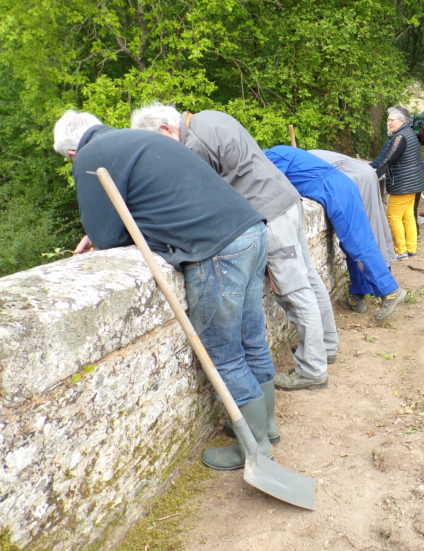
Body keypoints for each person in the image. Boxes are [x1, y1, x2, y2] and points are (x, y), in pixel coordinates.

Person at [53, 110, 277, 470]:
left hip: (215, 248)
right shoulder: (138, 138)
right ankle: (266, 425)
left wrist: (97, 234)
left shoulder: (90, 156)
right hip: (250, 230)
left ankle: (254, 446)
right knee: (251, 337)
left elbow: (107, 235)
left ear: (71, 153)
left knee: (223, 351)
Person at [130, 104, 338, 392]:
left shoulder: (194, 146)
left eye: (158, 142)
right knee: (310, 279)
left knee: (294, 292)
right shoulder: (210, 118)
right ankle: (326, 346)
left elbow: (195, 198)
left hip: (269, 214)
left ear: (166, 129)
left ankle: (313, 368)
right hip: (287, 200)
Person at [264, 145, 406, 321]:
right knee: (353, 243)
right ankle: (357, 298)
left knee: (358, 243)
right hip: (341, 186)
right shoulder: (280, 152)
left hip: (334, 191)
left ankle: (390, 291)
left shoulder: (271, 158)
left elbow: (270, 188)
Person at [309, 149, 395, 266]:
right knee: (376, 220)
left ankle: (376, 265)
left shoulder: (304, 165)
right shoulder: (309, 155)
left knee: (366, 226)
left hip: (358, 177)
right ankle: (384, 262)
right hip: (366, 172)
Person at [370, 106, 424, 260]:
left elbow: (389, 159)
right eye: (388, 120)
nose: (388, 123)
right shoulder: (410, 133)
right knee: (408, 216)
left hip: (403, 184)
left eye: (391, 120)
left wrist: (374, 175)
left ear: (401, 121)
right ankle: (411, 248)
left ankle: (401, 250)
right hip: (413, 183)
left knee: (393, 216)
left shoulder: (400, 137)